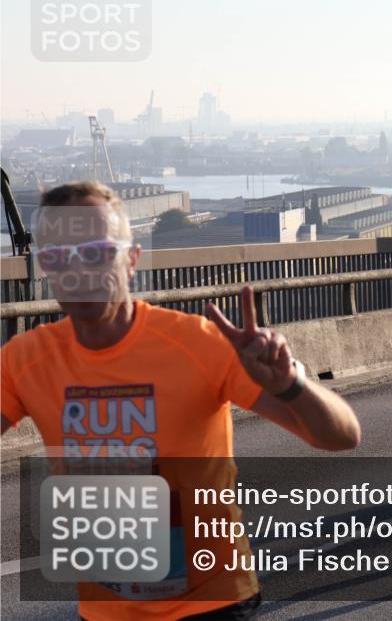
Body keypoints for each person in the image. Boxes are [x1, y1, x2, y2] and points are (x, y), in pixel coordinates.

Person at [0, 181, 361, 620]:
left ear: (131, 260)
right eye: (59, 256)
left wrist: (291, 384)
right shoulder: (24, 359)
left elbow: (341, 436)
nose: (79, 269)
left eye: (95, 252)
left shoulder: (198, 343)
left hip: (214, 603)